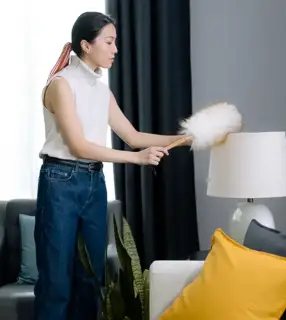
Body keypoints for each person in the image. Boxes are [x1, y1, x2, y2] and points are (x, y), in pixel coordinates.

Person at [33, 11, 190, 320]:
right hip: (60, 181)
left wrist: (185, 138)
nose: (115, 49)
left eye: (115, 42)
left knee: (91, 278)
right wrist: (138, 158)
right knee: (56, 281)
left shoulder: (101, 89)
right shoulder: (61, 85)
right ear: (86, 45)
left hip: (93, 182)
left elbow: (132, 135)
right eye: (109, 41)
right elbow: (78, 146)